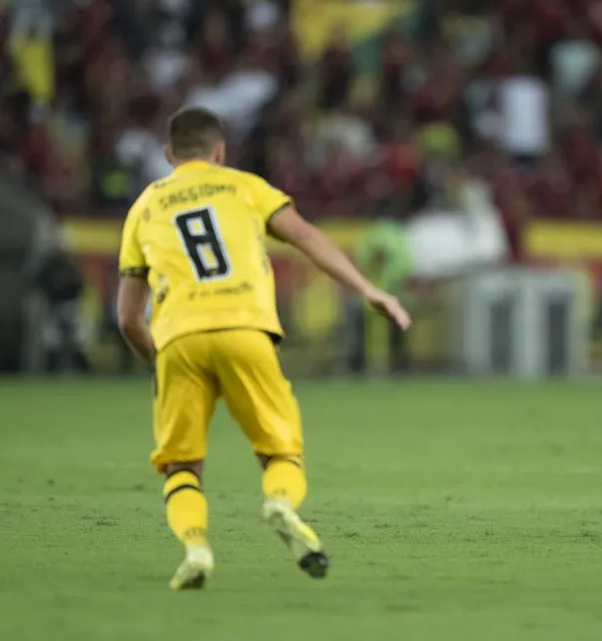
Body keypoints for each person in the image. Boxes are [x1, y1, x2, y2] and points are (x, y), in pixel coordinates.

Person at [116, 107, 412, 589]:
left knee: (181, 466)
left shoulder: (144, 207)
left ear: (170, 156)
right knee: (280, 453)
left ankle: (196, 549)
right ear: (220, 151)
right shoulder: (244, 187)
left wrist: (160, 364)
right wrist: (368, 289)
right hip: (245, 328)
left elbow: (128, 317)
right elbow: (306, 237)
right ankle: (278, 502)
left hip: (177, 337)